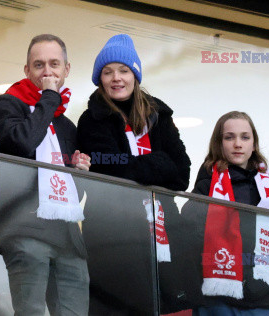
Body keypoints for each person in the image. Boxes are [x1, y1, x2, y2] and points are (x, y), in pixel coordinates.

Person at [76, 34, 191, 314]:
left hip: (162, 235)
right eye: (108, 72)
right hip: (112, 238)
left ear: (135, 75)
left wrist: (138, 165)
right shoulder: (92, 118)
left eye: (124, 70)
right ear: (99, 79)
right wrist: (159, 161)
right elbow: (110, 167)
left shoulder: (159, 114)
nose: (116, 78)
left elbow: (182, 173)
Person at [0, 34, 91, 316]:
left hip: (68, 238)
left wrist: (78, 172)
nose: (47, 72)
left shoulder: (67, 125)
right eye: (39, 65)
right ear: (27, 71)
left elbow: (75, 193)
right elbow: (23, 142)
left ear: (67, 70)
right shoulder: (7, 106)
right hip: (26, 232)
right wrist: (48, 98)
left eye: (54, 64)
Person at [182, 111, 269, 315]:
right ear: (219, 143)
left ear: (254, 144)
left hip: (259, 300)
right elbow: (188, 244)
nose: (237, 143)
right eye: (229, 137)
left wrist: (262, 286)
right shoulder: (205, 189)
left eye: (245, 137)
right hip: (215, 301)